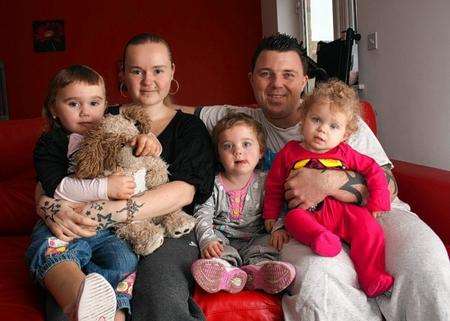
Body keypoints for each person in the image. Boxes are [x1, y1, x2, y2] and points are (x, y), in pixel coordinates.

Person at [181, 33, 450, 321]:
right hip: (307, 226)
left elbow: (389, 184)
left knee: (426, 264)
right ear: (251, 79)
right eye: (265, 74)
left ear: (304, 80)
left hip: (376, 216)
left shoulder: (338, 116)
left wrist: (328, 183)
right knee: (316, 286)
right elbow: (170, 110)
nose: (276, 84)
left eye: (288, 74)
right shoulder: (240, 122)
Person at [35, 33, 215, 321]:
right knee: (72, 304)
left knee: (158, 296)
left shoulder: (189, 127)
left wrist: (98, 212)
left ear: (172, 72)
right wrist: (51, 209)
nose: (147, 80)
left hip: (165, 230)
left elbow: (184, 192)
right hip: (95, 231)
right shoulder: (97, 117)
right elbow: (53, 175)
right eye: (136, 71)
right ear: (122, 73)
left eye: (157, 70)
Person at [26, 64, 160, 321]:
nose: (86, 112)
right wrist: (105, 187)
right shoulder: (50, 143)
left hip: (108, 229)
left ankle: (115, 312)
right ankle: (77, 302)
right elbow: (58, 189)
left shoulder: (112, 126)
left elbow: (137, 136)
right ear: (54, 108)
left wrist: (150, 141)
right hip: (66, 222)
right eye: (73, 104)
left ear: (106, 105)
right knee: (51, 248)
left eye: (94, 103)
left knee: (124, 260)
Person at [264, 79, 394, 298]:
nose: (322, 130)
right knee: (294, 220)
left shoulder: (345, 152)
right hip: (307, 213)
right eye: (316, 120)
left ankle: (372, 277)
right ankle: (321, 239)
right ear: (303, 119)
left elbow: (373, 169)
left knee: (370, 228)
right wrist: (271, 215)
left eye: (333, 126)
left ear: (344, 134)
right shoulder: (289, 152)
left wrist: (379, 200)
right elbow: (274, 185)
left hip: (344, 211)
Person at [191, 112, 295, 295]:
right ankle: (224, 271)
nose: (237, 151)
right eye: (227, 146)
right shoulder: (212, 183)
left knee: (267, 247)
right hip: (222, 238)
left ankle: (259, 272)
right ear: (218, 155)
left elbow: (279, 206)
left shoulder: (268, 181)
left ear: (261, 151)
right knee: (216, 252)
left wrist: (278, 228)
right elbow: (202, 214)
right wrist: (208, 240)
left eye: (246, 144)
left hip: (256, 236)